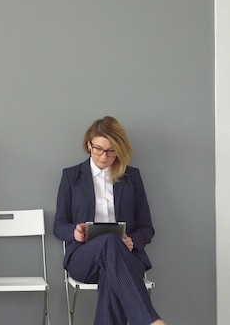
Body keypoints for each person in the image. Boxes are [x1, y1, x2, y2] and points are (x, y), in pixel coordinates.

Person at [53, 116, 166, 325]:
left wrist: (133, 241)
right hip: (83, 257)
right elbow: (59, 225)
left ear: (120, 149)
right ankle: (149, 321)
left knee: (112, 270)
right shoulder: (71, 177)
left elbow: (146, 227)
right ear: (89, 145)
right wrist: (74, 232)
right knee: (109, 242)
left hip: (125, 256)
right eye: (98, 149)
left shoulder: (132, 177)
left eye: (111, 150)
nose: (104, 156)